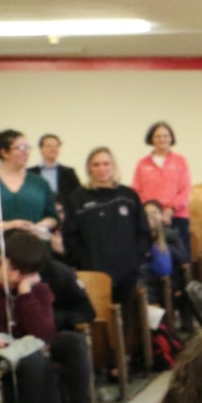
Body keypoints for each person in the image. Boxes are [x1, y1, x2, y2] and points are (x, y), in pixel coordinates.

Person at [0, 231, 97, 403]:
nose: (15, 277)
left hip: (30, 347)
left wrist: (26, 294)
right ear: (1, 260)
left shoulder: (37, 289)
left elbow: (44, 336)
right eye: (13, 269)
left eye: (24, 274)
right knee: (34, 362)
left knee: (72, 342)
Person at [63, 147, 153, 353]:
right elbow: (71, 236)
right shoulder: (78, 198)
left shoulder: (128, 195)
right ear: (89, 169)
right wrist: (83, 262)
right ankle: (105, 358)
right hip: (95, 272)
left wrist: (136, 258)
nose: (102, 169)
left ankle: (125, 359)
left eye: (106, 164)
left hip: (127, 270)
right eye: (96, 164)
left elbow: (143, 231)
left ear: (113, 167)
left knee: (126, 317)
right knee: (99, 318)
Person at [129, 122, 191, 271]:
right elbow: (136, 190)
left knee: (180, 257)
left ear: (171, 139)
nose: (162, 139)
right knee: (155, 258)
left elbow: (185, 189)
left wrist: (170, 209)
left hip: (177, 216)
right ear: (152, 139)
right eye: (158, 136)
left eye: (165, 136)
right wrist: (151, 213)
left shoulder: (180, 161)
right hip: (151, 219)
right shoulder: (142, 164)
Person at [0, 130, 57, 232]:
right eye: (21, 148)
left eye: (28, 148)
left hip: (34, 243)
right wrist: (6, 226)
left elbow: (53, 217)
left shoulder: (39, 182)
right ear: (4, 152)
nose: (26, 152)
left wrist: (39, 226)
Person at [28, 132, 81, 199]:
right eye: (49, 146)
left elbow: (78, 196)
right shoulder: (29, 173)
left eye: (56, 146)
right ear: (41, 149)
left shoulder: (69, 172)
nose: (53, 149)